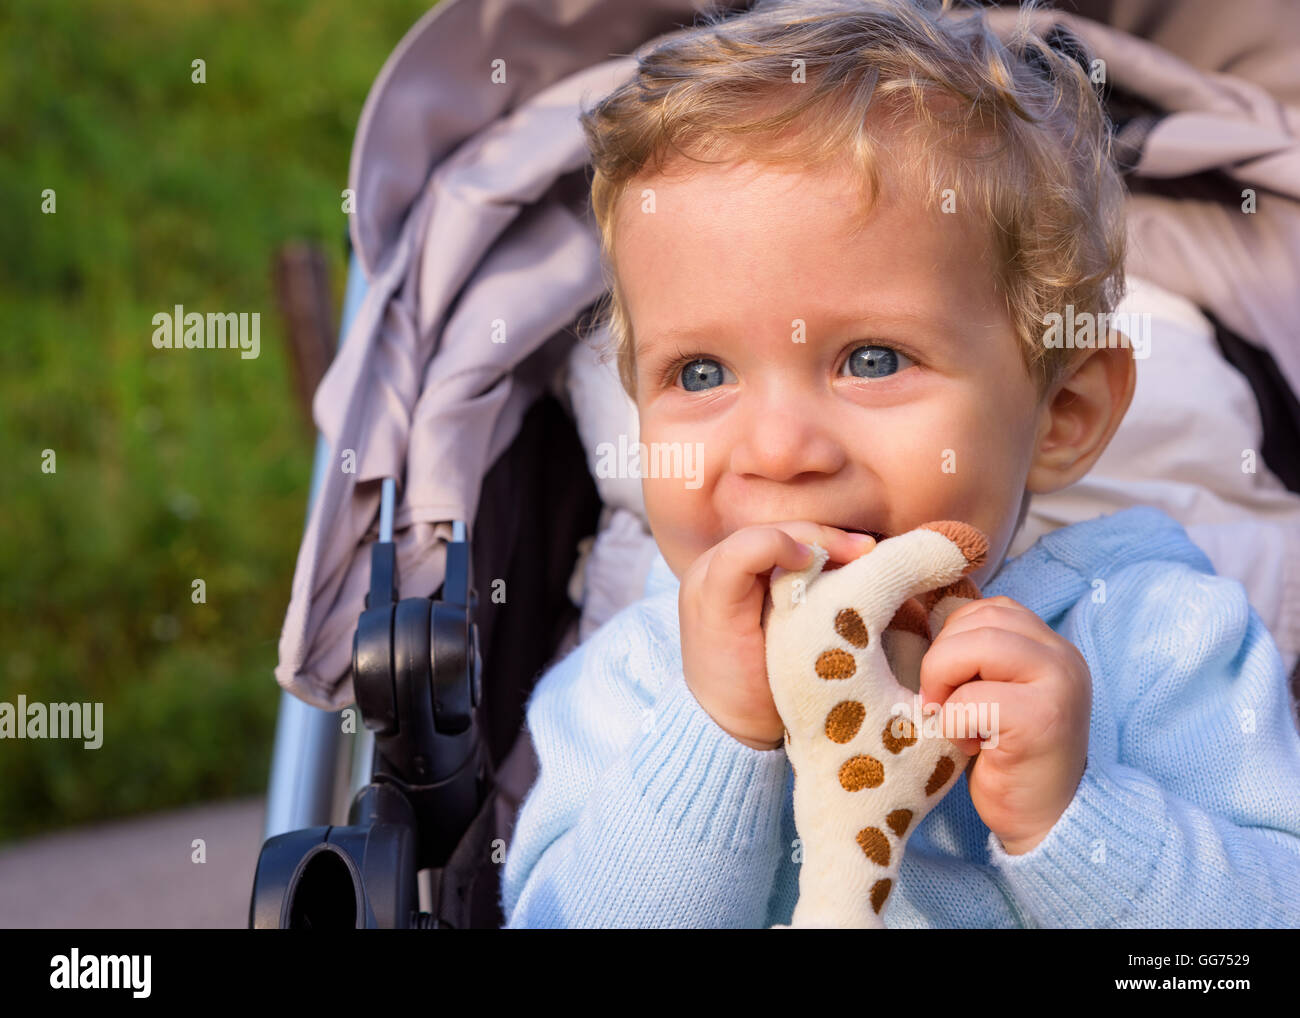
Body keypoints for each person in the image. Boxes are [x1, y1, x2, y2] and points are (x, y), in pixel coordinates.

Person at [499, 0, 1300, 927]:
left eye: (872, 360)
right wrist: (715, 737)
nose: (780, 451)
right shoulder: (633, 677)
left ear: (1062, 415)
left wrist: (1073, 817)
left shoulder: (1161, 641)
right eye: (702, 372)